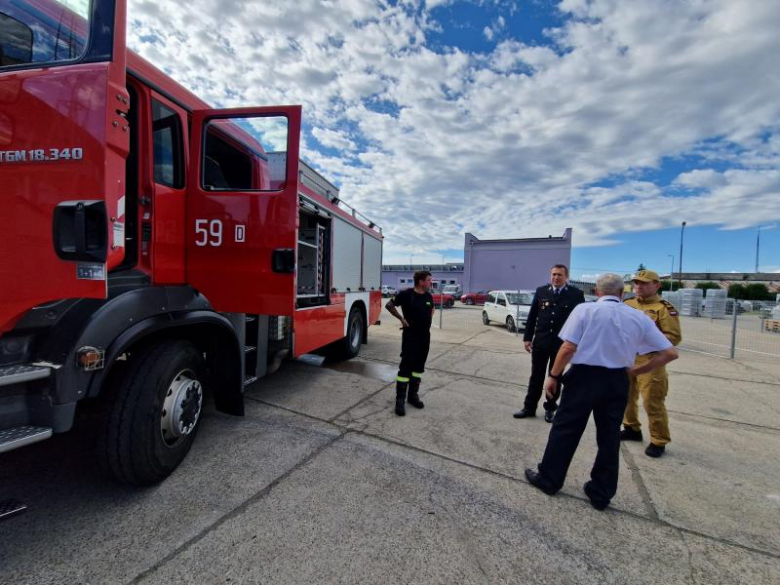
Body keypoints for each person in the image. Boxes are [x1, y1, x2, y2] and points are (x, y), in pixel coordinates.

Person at [524, 273, 678, 511]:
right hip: (616, 380)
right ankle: (601, 493)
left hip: (584, 377)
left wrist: (553, 376)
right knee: (609, 437)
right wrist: (637, 371)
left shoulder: (585, 311)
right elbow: (669, 353)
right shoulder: (638, 316)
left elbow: (567, 348)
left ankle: (549, 479)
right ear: (622, 293)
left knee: (565, 429)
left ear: (597, 292)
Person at [620, 269, 682, 458]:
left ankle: (658, 440)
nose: (639, 286)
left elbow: (674, 337)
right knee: (626, 397)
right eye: (636, 283)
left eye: (644, 283)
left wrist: (646, 340)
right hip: (628, 358)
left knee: (652, 402)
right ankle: (631, 428)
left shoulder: (664, 308)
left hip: (651, 361)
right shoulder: (627, 304)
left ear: (657, 285)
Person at [515, 265, 585, 423]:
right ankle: (529, 407)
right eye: (553, 274)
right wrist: (527, 338)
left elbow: (581, 321)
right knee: (536, 377)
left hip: (561, 345)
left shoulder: (576, 294)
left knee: (555, 377)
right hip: (541, 342)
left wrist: (578, 343)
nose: (556, 277)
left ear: (566, 276)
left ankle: (550, 408)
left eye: (560, 275)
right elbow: (533, 316)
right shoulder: (541, 291)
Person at [385, 271, 435, 416]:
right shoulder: (406, 294)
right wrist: (402, 319)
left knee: (418, 368)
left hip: (425, 338)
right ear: (421, 281)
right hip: (410, 337)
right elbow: (389, 305)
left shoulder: (428, 296)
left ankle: (413, 396)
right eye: (429, 280)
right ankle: (400, 400)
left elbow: (431, 310)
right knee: (405, 368)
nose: (431, 282)